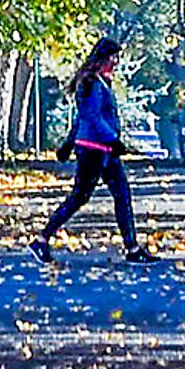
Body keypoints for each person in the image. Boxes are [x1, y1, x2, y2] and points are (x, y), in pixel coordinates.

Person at [33, 37, 151, 262]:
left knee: (122, 194)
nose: (116, 62)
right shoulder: (91, 83)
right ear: (103, 58)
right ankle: (41, 239)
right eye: (114, 57)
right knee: (79, 197)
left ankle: (132, 248)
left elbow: (83, 117)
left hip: (104, 150)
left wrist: (71, 142)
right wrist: (111, 139)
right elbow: (90, 116)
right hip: (93, 150)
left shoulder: (100, 82)